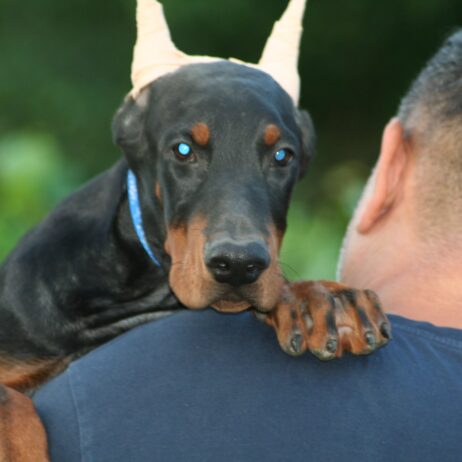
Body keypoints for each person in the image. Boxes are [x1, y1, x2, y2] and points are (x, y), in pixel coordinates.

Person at [33, 31, 462, 462]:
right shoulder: (42, 288)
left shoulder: (88, 404)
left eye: (280, 159)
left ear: (390, 165)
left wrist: (292, 294)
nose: (241, 251)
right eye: (183, 151)